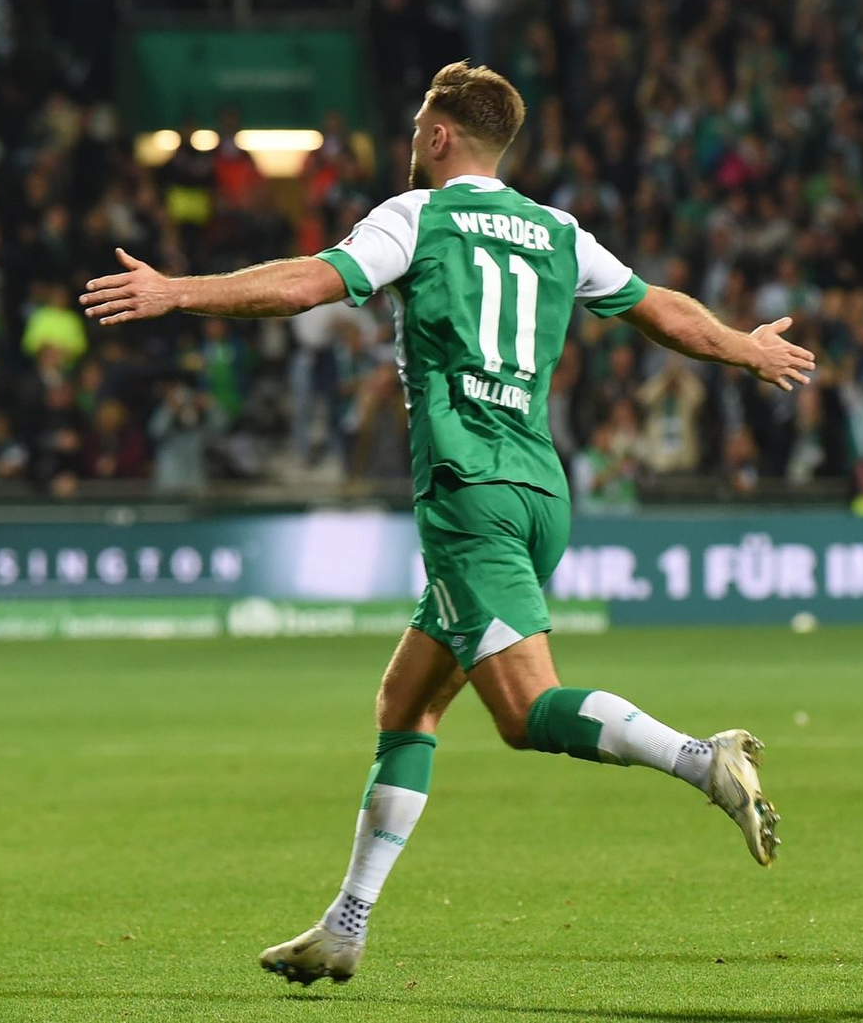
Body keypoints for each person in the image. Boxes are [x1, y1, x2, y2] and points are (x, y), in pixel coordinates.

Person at [79, 62, 815, 986]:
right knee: (407, 702)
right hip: (541, 492)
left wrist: (178, 291)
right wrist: (743, 346)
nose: (410, 134)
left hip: (469, 494)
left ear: (437, 135)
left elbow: (312, 282)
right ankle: (346, 922)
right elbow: (655, 306)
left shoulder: (415, 216)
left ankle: (701, 759)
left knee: (525, 713)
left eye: (417, 119)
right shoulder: (558, 231)